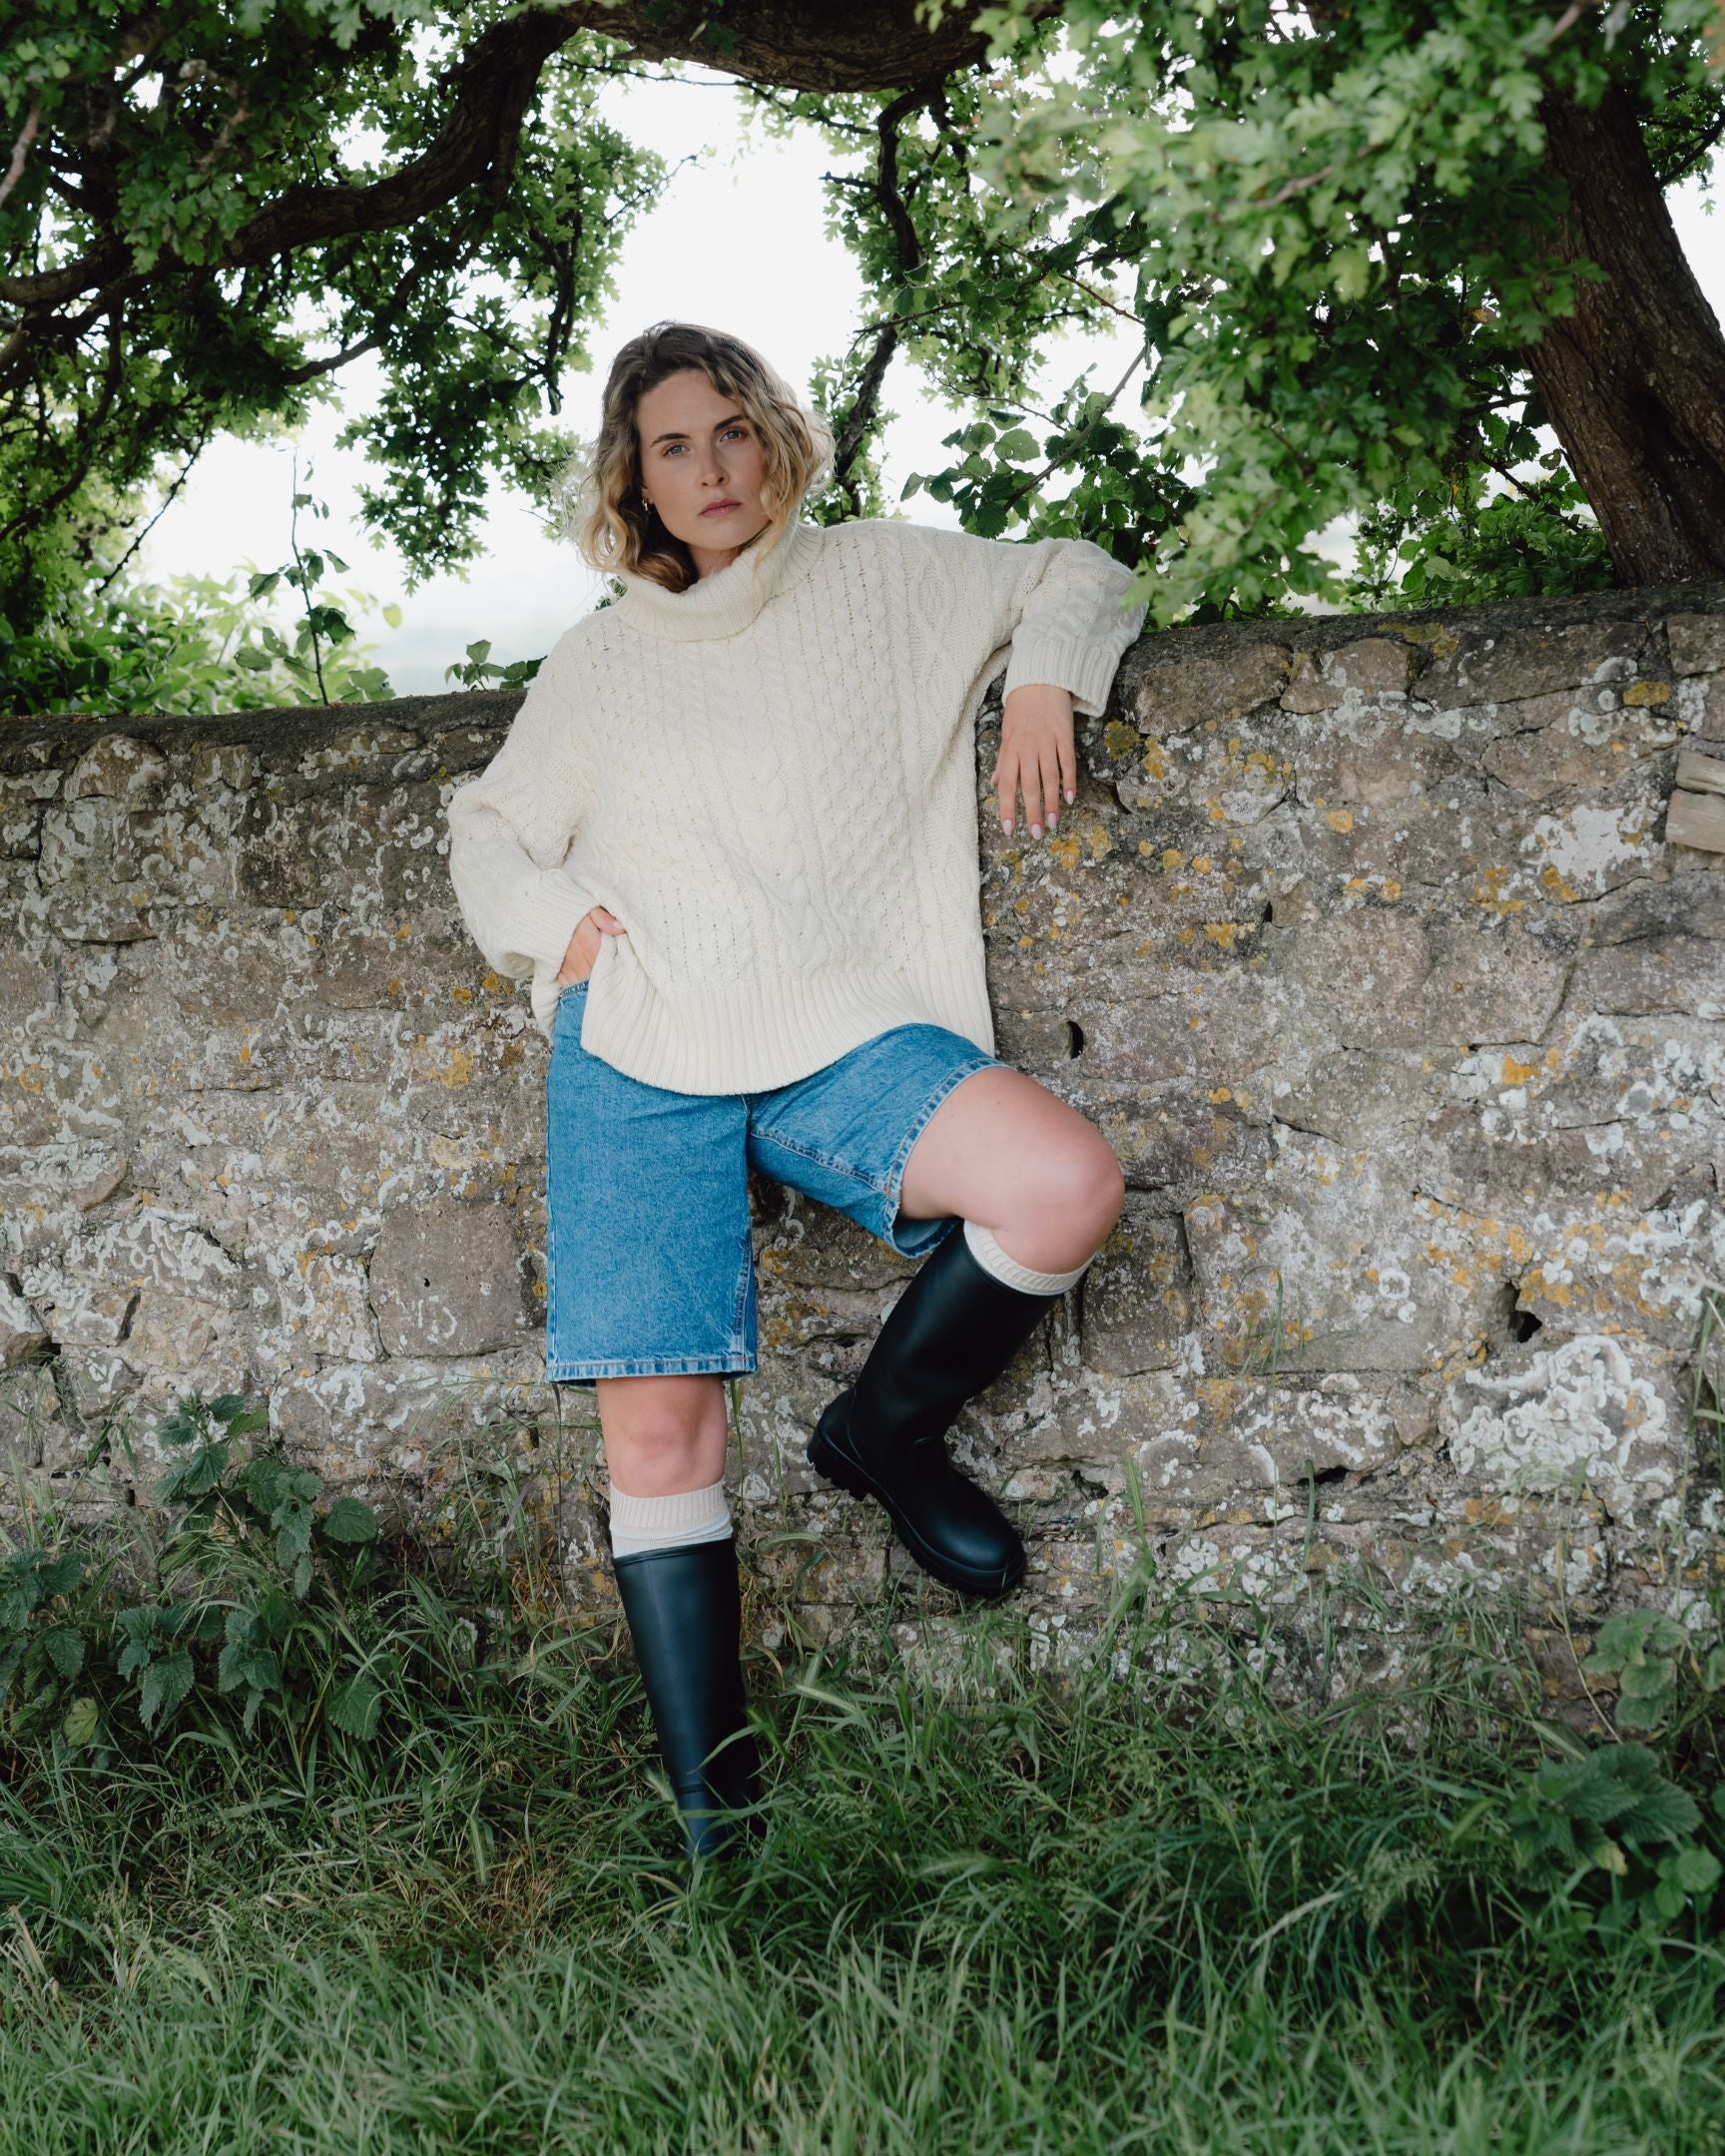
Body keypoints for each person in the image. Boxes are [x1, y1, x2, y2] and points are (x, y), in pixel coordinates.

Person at [443, 320, 1148, 1870]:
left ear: (776, 438)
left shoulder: (879, 579)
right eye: (672, 447)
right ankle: (725, 1836)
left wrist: (1042, 683)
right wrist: (549, 930)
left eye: (732, 432)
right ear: (634, 479)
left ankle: (884, 1437)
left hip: (834, 1024)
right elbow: (485, 825)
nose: (711, 469)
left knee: (1062, 1184)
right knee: (664, 1444)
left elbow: (1073, 568)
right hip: (637, 1043)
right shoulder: (603, 660)